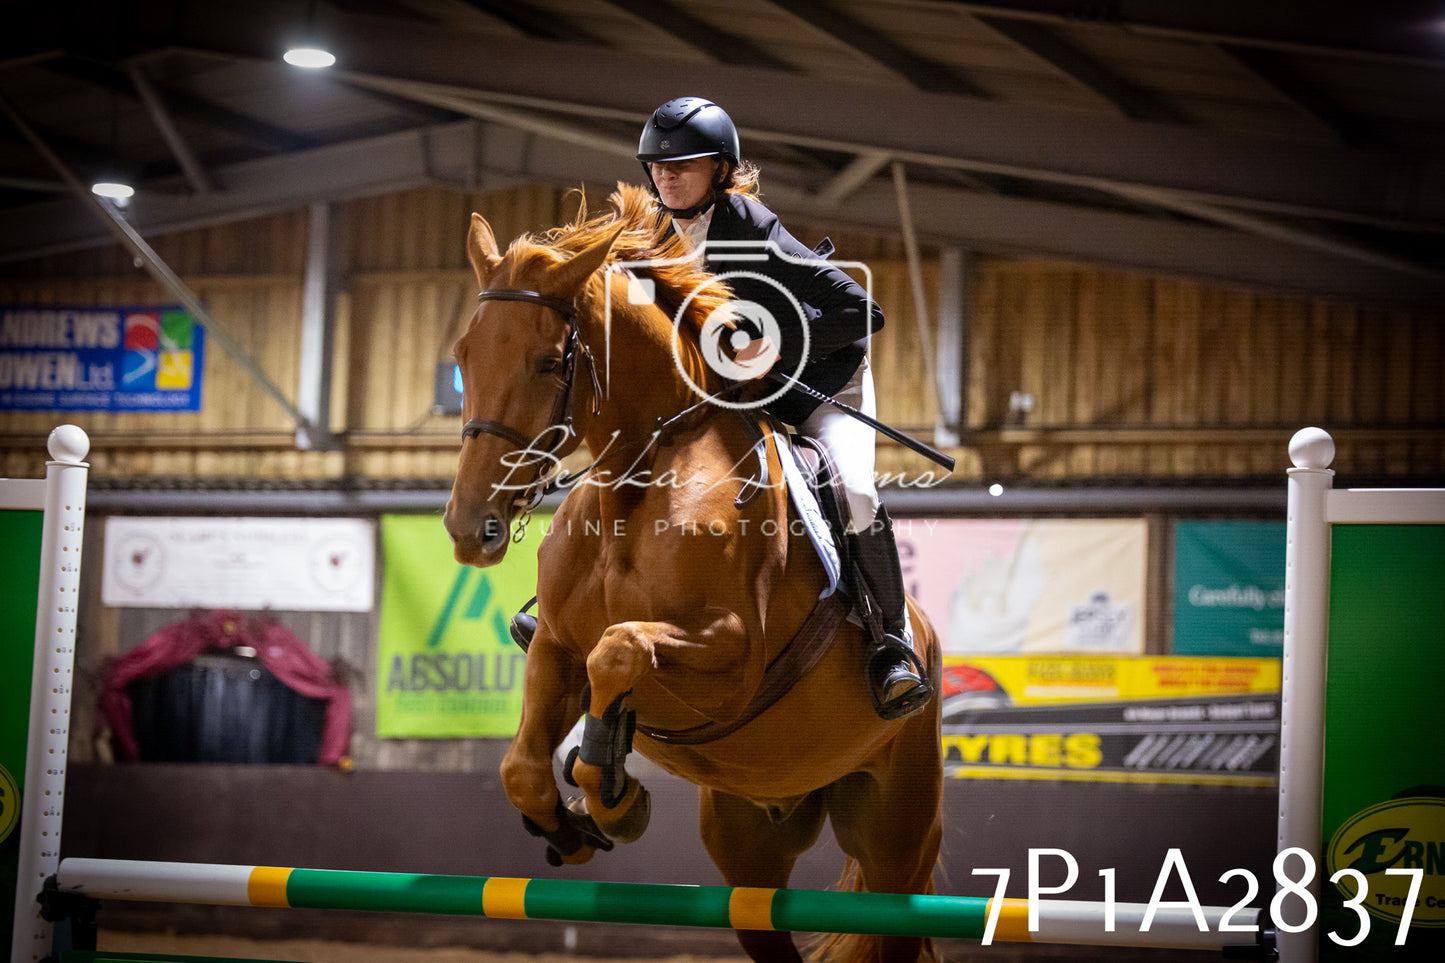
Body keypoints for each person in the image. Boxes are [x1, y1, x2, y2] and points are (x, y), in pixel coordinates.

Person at [634, 96, 931, 721]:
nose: (667, 174)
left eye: (683, 163)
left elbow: (861, 311)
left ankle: (893, 645)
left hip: (821, 386)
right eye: (658, 165)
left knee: (855, 492)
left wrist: (774, 344)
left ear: (720, 169)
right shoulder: (651, 240)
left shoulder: (751, 226)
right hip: (729, 395)